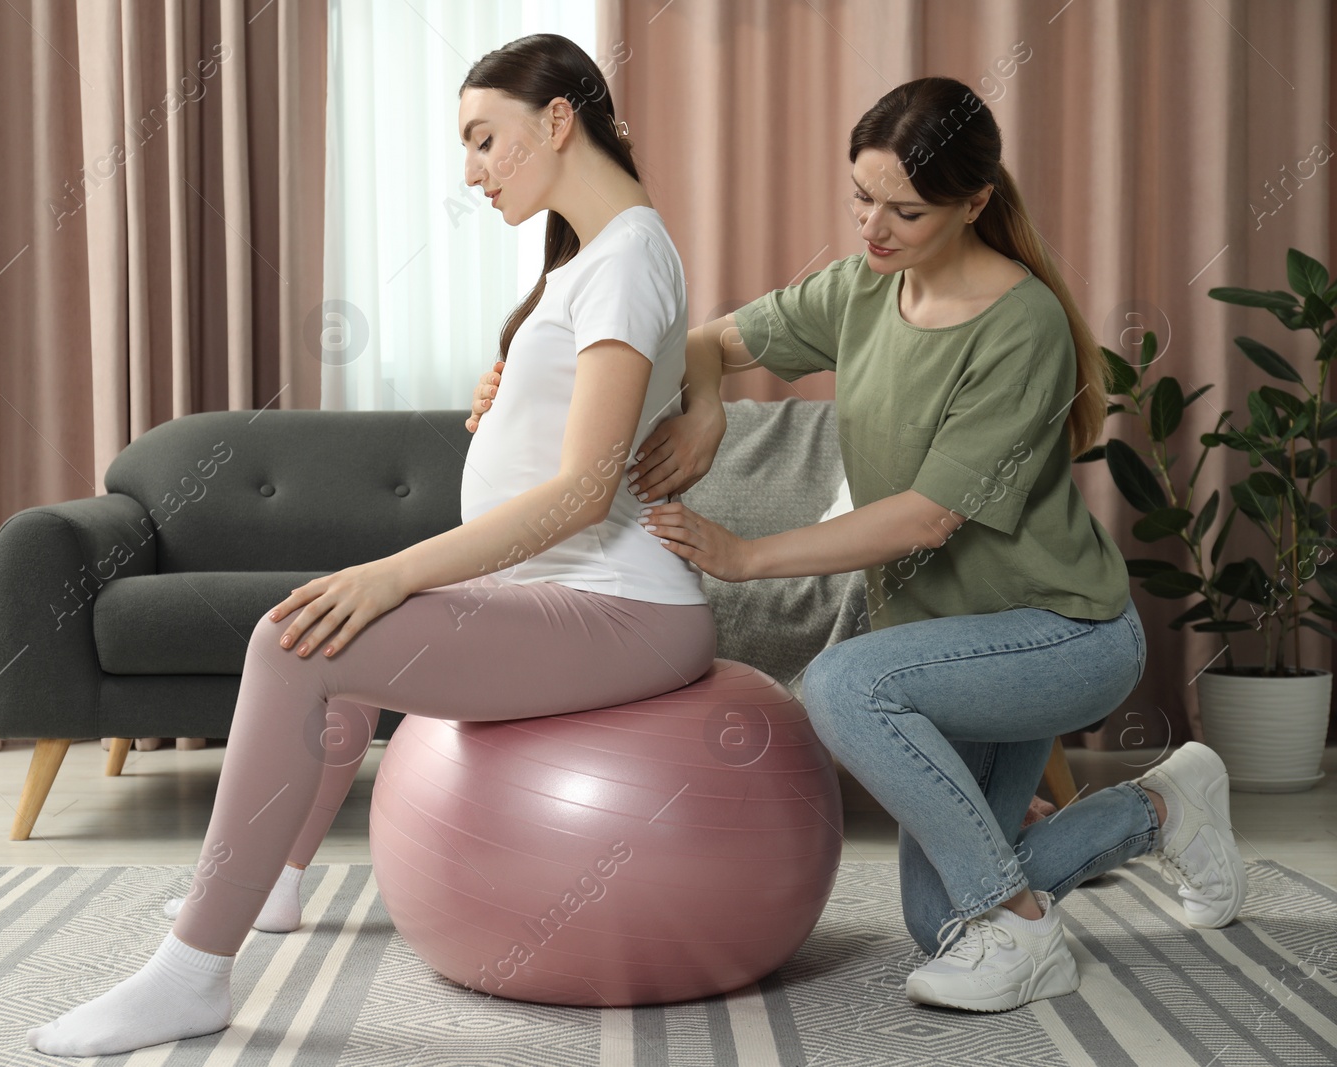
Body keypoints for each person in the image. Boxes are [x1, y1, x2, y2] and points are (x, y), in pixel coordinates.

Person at [475, 74, 1247, 1014]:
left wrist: (748, 555)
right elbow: (707, 340)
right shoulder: (862, 290)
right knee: (937, 917)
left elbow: (928, 517)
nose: (873, 230)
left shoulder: (1023, 326)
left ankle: (1028, 933)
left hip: (1061, 636)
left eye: (906, 210)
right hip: (942, 648)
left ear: (975, 204)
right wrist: (691, 403)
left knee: (847, 682)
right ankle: (1165, 805)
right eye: (862, 198)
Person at [24, 33, 717, 1056]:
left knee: (293, 637)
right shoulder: (606, 259)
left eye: (485, 140)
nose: (470, 171)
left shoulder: (623, 260)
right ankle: (278, 885)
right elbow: (643, 379)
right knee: (338, 653)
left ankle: (190, 973)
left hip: (621, 603)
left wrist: (391, 570)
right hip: (577, 590)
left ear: (558, 120)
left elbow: (579, 493)